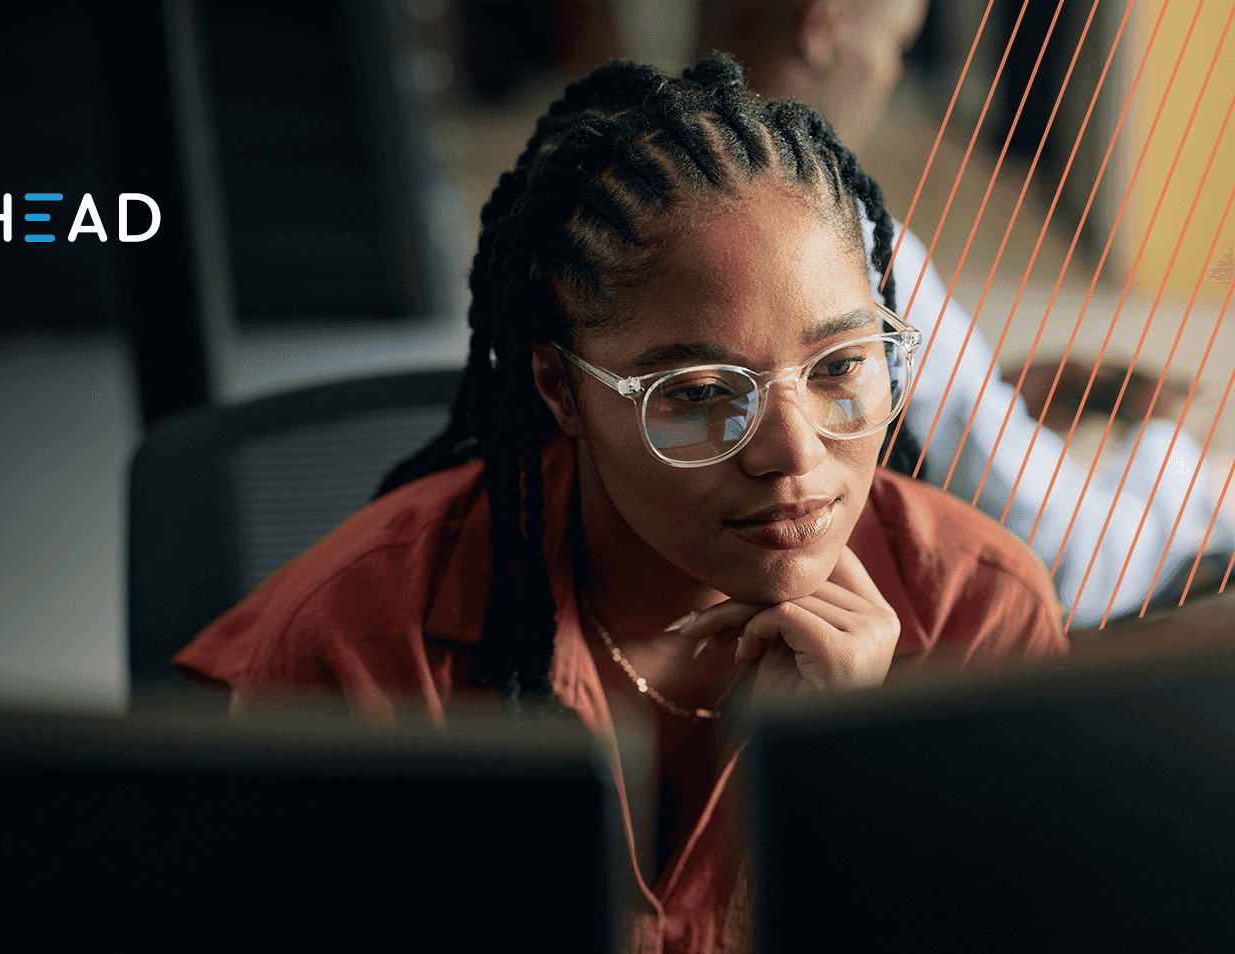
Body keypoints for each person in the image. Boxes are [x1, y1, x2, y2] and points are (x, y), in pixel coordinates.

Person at [176, 55, 1066, 953]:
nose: (796, 456)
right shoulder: (361, 645)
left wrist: (849, 771)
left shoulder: (981, 616)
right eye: (698, 391)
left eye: (840, 368)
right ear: (561, 391)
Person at [700, 0, 1235, 627]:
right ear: (825, 26)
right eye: (895, 44)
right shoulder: (854, 252)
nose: (888, 75)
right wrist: (1194, 489)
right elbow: (1061, 546)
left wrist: (1011, 387)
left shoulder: (626, 194)